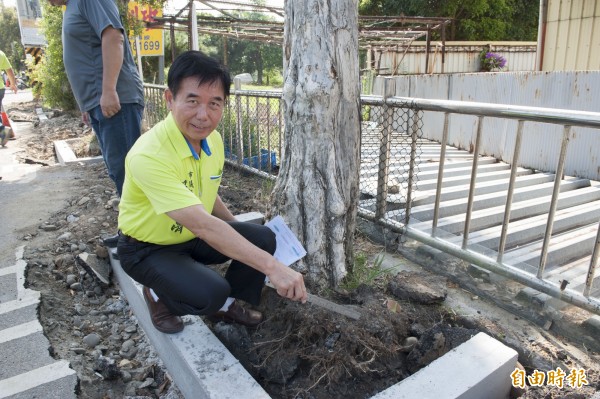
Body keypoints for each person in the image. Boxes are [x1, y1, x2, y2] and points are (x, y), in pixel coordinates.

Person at [116, 51, 307, 334]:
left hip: (189, 236)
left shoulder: (212, 140)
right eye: (192, 101)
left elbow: (206, 192)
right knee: (210, 293)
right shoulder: (149, 155)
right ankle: (159, 295)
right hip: (147, 248)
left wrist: (238, 229)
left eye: (214, 103)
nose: (203, 116)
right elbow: (202, 224)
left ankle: (229, 303)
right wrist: (273, 268)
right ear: (170, 99)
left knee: (264, 237)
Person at [47, 0, 144, 247]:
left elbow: (113, 37)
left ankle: (142, 239)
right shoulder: (73, 5)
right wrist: (88, 103)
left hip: (117, 99)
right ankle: (133, 232)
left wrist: (109, 90)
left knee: (127, 172)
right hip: (100, 103)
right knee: (118, 170)